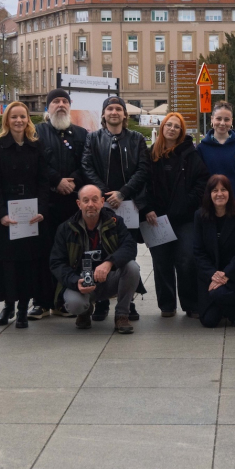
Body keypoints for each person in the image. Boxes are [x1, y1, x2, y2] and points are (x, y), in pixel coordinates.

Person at [81, 95, 148, 321]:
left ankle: (128, 302)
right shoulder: (93, 138)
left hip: (129, 204)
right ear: (103, 114)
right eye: (110, 109)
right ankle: (101, 302)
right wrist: (104, 194)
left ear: (124, 114)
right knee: (101, 249)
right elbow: (87, 166)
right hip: (102, 204)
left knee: (128, 252)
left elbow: (143, 169)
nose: (114, 112)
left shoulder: (137, 138)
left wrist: (123, 192)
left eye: (118, 109)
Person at [0, 101, 48, 328]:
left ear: (28, 120)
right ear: (7, 120)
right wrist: (0, 213)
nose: (19, 121)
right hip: (7, 213)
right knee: (7, 263)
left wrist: (41, 209)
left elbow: (43, 181)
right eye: (14, 117)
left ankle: (22, 308)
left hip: (30, 213)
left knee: (28, 263)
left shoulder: (36, 146)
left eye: (22, 116)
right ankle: (8, 306)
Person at [50, 183, 139, 333]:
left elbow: (130, 247)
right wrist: (75, 281)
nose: (90, 204)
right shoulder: (66, 228)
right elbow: (56, 263)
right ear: (79, 204)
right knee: (74, 305)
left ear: (102, 201)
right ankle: (84, 311)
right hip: (80, 281)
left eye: (95, 199)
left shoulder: (115, 222)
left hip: (108, 279)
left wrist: (109, 262)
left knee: (132, 267)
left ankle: (122, 315)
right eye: (85, 200)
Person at [143, 112, 208, 317]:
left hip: (184, 218)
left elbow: (202, 182)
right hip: (155, 219)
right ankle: (167, 305)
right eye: (169, 125)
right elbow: (141, 182)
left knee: (186, 259)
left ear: (181, 131)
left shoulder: (190, 154)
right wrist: (146, 208)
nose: (172, 129)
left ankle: (191, 304)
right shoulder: (150, 154)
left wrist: (186, 204)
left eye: (176, 126)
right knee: (161, 262)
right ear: (162, 127)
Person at [34, 88, 89, 319]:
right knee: (43, 252)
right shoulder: (37, 132)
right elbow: (36, 162)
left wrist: (71, 181)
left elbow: (87, 163)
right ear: (48, 107)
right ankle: (41, 302)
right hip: (46, 204)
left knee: (71, 253)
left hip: (72, 205)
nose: (60, 105)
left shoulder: (82, 134)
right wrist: (56, 181)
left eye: (64, 101)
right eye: (55, 101)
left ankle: (63, 301)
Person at [190, 174, 235, 327]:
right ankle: (228, 305)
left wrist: (225, 275)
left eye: (223, 190)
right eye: (215, 190)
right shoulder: (200, 216)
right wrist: (213, 275)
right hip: (209, 275)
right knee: (208, 321)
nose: (219, 194)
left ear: (230, 192)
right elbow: (198, 252)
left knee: (218, 294)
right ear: (209, 194)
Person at [197, 101, 235, 211]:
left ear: (231, 121)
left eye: (226, 119)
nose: (222, 123)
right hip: (212, 208)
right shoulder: (201, 149)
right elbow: (199, 181)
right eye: (218, 119)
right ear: (212, 119)